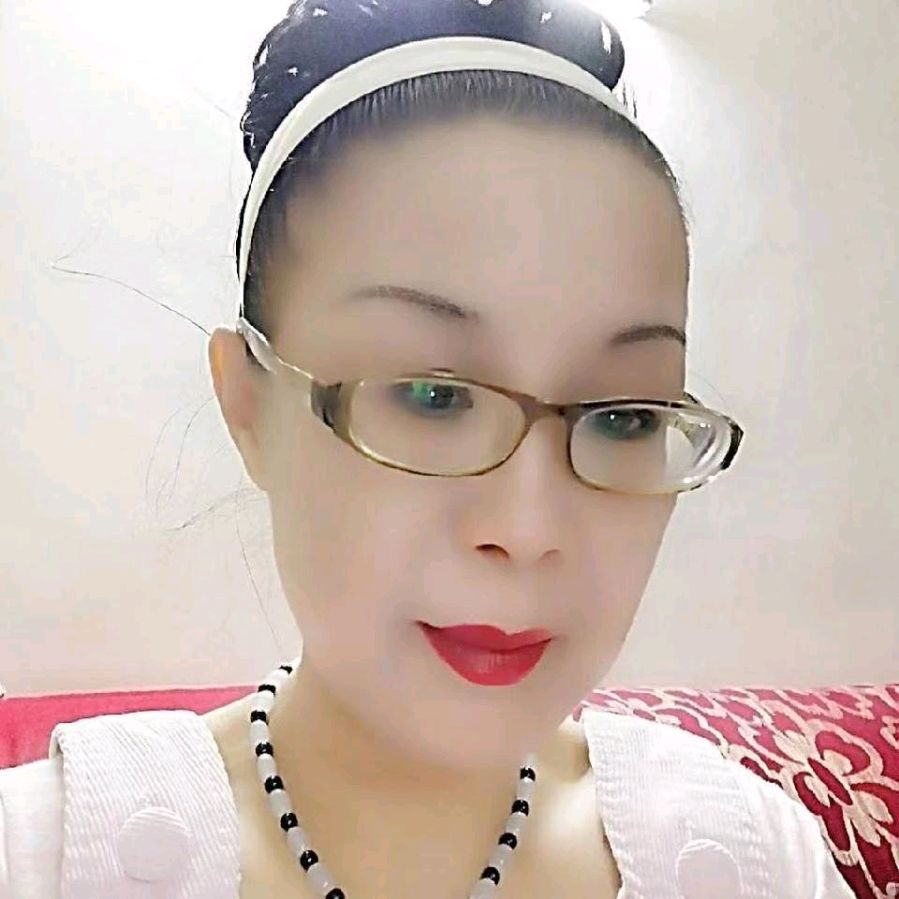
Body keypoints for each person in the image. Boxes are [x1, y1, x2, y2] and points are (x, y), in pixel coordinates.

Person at [0, 1, 856, 897]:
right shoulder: (45, 855)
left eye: (622, 415)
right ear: (247, 404)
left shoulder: (754, 859)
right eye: (432, 395)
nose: (526, 530)